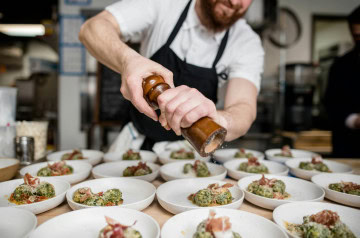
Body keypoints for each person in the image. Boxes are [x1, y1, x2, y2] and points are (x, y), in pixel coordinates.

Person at [79, 0, 264, 150]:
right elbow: (91, 28)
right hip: (137, 143)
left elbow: (244, 107)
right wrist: (128, 61)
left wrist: (219, 119)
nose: (234, 1)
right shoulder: (165, 4)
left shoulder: (246, 42)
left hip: (192, 153)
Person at [325, 5, 360, 158]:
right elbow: (331, 103)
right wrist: (354, 120)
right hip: (347, 148)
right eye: (357, 36)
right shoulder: (340, 65)